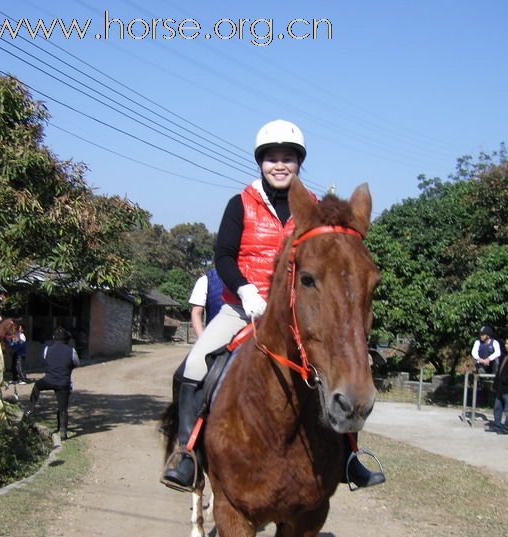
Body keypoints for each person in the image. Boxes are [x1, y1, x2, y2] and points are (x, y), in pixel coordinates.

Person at [163, 119, 385, 491]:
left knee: (337, 368)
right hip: (242, 309)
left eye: (288, 158)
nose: (280, 165)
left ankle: (349, 456)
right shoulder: (241, 203)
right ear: (260, 163)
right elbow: (223, 256)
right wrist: (246, 291)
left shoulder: (312, 208)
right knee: (193, 366)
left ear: (299, 163)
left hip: (297, 312)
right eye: (271, 158)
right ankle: (186, 453)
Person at [24, 326, 80, 440]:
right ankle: (63, 432)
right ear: (67, 339)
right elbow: (76, 363)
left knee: (37, 386)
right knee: (63, 408)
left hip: (48, 380)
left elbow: (46, 360)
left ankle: (29, 409)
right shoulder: (71, 350)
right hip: (63, 383)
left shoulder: (47, 349)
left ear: (54, 338)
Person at [485, 335, 508, 435]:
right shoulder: (504, 355)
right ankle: (497, 426)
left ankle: (507, 428)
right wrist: (496, 383)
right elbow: (499, 371)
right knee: (497, 407)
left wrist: (505, 380)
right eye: (506, 344)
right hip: (501, 387)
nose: (507, 346)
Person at [188, 267, 225, 338]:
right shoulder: (205, 280)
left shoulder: (249, 275)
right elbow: (196, 313)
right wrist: (202, 339)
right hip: (215, 338)